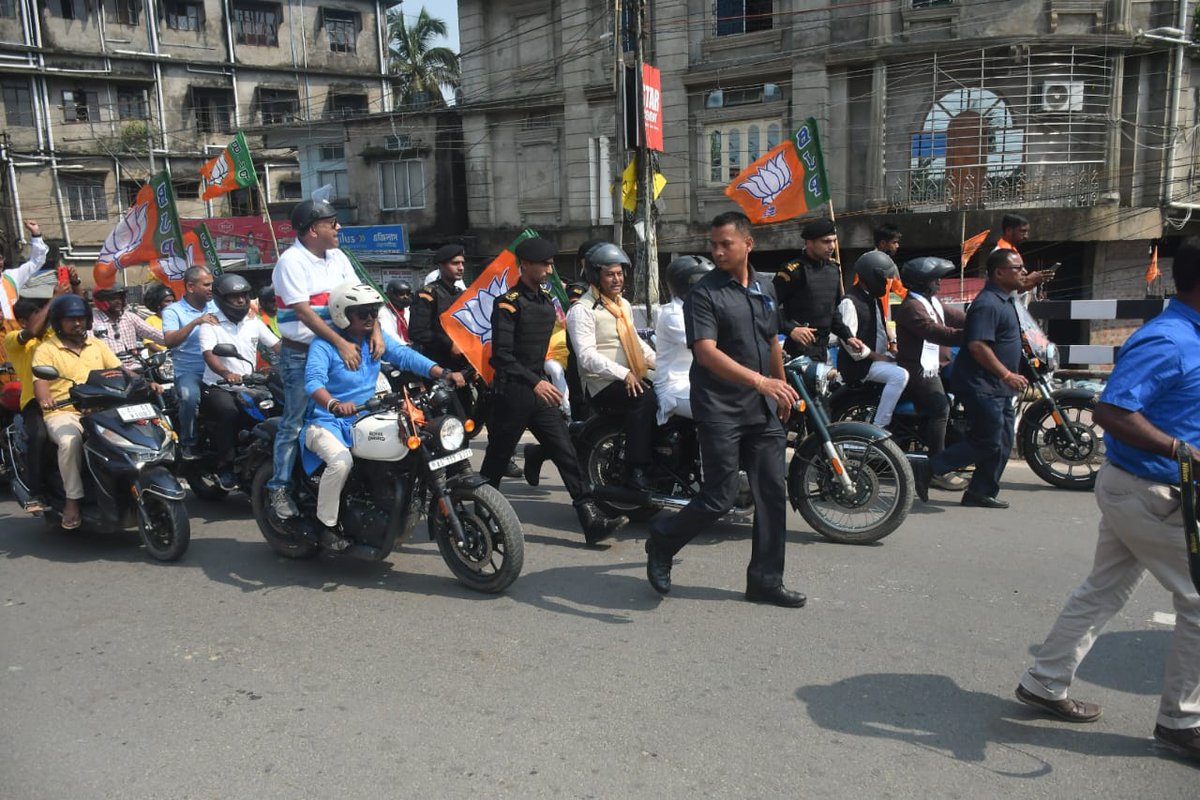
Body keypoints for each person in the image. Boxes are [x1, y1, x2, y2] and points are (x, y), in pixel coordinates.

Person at [1014, 236, 1200, 762]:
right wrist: (1180, 448)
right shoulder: (1170, 339)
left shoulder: (1190, 336)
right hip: (1151, 492)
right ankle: (1181, 722)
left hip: (1142, 490)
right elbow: (1113, 410)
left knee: (1102, 591)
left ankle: (1044, 682)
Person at [644, 211, 805, 607]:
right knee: (719, 496)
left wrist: (778, 387)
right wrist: (760, 381)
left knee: (770, 492)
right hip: (719, 407)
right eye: (712, 245)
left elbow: (771, 342)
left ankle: (766, 581)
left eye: (725, 244)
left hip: (761, 407)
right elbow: (706, 352)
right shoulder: (704, 294)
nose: (716, 251)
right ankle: (663, 542)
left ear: (748, 244)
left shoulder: (765, 286)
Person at [480, 236, 627, 545]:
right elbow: (501, 357)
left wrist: (550, 372)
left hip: (541, 391)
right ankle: (481, 518)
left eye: (551, 264)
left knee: (566, 452)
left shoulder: (546, 300)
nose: (550, 269)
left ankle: (591, 520)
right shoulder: (507, 303)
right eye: (544, 264)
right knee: (496, 460)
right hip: (514, 393)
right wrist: (535, 381)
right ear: (526, 265)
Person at [302, 281, 463, 546]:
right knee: (341, 462)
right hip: (327, 420)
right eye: (362, 313)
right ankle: (325, 526)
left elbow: (404, 355)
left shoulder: (374, 340)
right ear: (343, 314)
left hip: (367, 415)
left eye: (373, 312)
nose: (370, 318)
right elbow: (313, 383)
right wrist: (333, 404)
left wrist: (442, 372)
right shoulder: (325, 345)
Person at [269, 199, 379, 520]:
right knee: (295, 421)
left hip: (341, 351)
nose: (338, 228)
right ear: (313, 230)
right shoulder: (291, 262)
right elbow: (303, 312)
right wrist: (341, 342)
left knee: (365, 410)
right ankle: (279, 488)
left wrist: (378, 332)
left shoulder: (339, 257)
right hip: (302, 355)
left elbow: (362, 295)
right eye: (332, 223)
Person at [912, 248, 1026, 508]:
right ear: (999, 273)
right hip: (982, 385)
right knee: (988, 440)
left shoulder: (1005, 298)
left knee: (1003, 441)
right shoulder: (987, 304)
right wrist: (1007, 374)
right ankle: (929, 468)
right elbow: (977, 346)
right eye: (1018, 268)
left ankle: (981, 491)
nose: (1023, 272)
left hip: (999, 386)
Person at [564, 242, 658, 490]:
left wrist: (661, 364)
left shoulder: (622, 304)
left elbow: (636, 342)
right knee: (645, 400)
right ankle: (635, 468)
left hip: (631, 375)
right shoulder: (581, 310)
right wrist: (623, 372)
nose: (617, 279)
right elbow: (585, 356)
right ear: (596, 276)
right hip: (601, 383)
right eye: (610, 274)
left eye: (620, 273)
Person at [32, 294, 122, 530]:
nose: (77, 323)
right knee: (70, 442)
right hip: (65, 412)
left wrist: (143, 382)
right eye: (70, 319)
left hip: (101, 410)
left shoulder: (97, 345)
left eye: (81, 318)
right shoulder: (46, 349)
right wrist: (45, 399)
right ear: (58, 322)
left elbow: (120, 371)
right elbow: (40, 381)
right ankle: (72, 500)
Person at [198, 273, 281, 491]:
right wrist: (226, 373)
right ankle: (225, 466)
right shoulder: (211, 323)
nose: (241, 301)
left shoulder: (253, 322)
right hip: (219, 386)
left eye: (244, 296)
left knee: (276, 409)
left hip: (251, 384)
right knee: (229, 413)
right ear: (221, 299)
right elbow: (209, 354)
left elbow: (277, 345)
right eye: (235, 297)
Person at [4, 271, 76, 512]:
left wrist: (73, 285)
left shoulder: (53, 334)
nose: (45, 315)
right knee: (39, 437)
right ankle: (37, 492)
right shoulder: (16, 339)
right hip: (34, 401)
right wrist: (53, 299)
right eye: (39, 311)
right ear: (24, 320)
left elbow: (76, 317)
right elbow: (33, 331)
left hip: (67, 397)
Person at [894, 257, 967, 490]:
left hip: (941, 364)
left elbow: (955, 316)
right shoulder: (911, 308)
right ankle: (938, 469)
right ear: (921, 282)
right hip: (920, 369)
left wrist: (984, 320)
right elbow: (935, 332)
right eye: (934, 279)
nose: (939, 282)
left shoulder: (930, 302)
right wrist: (968, 334)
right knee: (940, 409)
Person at [836, 251, 909, 428]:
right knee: (900, 376)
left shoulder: (873, 299)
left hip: (879, 359)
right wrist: (877, 356)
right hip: (860, 366)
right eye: (884, 279)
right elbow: (849, 343)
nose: (886, 284)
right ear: (870, 277)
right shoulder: (850, 302)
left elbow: (882, 328)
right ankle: (879, 426)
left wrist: (894, 346)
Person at [773, 217, 854, 361]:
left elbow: (832, 312)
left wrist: (848, 336)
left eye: (834, 241)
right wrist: (791, 329)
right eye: (826, 241)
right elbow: (767, 307)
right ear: (809, 243)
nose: (832, 246)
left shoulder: (833, 269)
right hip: (798, 351)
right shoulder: (793, 271)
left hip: (823, 350)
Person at [162, 266, 218, 460]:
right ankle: (189, 443)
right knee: (189, 396)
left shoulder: (217, 306)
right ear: (191, 287)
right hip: (189, 371)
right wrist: (196, 322)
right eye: (207, 284)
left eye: (212, 284)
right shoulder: (173, 311)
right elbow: (169, 340)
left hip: (218, 367)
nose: (211, 288)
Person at [654, 255, 714, 423]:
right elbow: (708, 347)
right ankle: (710, 450)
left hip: (700, 381)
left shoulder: (703, 309)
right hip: (674, 386)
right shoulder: (673, 315)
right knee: (716, 408)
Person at [410, 245, 468, 367]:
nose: (461, 268)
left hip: (463, 361)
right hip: (436, 364)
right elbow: (418, 332)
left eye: (462, 263)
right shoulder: (427, 294)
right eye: (455, 263)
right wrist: (449, 344)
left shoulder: (461, 294)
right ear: (441, 266)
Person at [91, 286, 165, 366]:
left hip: (135, 366)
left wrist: (174, 340)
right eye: (113, 299)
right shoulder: (93, 321)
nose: (118, 301)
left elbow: (152, 332)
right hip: (109, 370)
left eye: (120, 298)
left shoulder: (129, 317)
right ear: (102, 301)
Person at [1, 219, 49, 339]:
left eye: (0, 258)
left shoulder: (11, 277)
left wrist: (36, 235)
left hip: (14, 337)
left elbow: (36, 261)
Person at [377, 278, 412, 344]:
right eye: (401, 294)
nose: (405, 297)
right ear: (392, 294)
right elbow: (390, 334)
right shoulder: (383, 312)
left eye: (407, 294)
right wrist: (405, 345)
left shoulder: (408, 310)